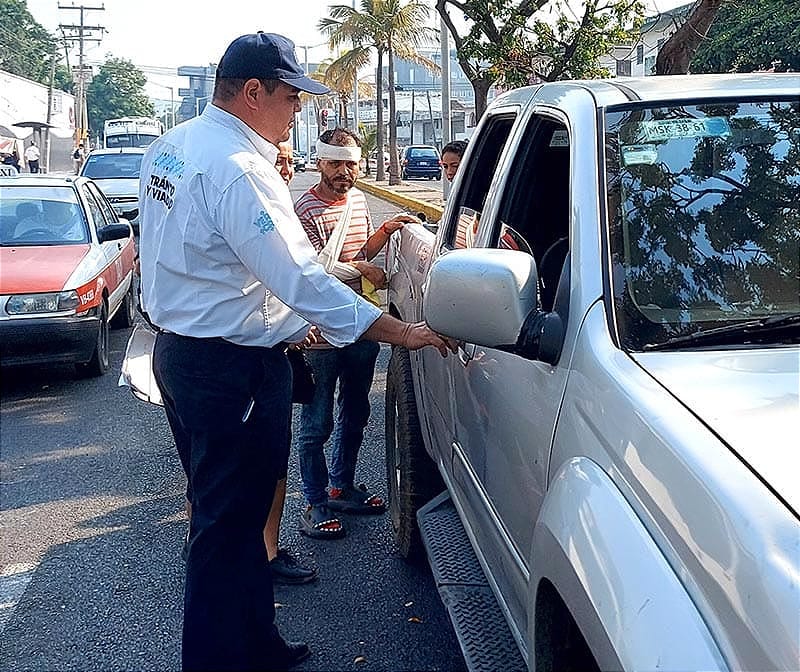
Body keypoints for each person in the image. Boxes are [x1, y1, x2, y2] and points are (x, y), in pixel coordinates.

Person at [137, 32, 453, 672]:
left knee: (234, 511)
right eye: (289, 98)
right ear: (252, 93)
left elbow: (194, 260)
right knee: (226, 528)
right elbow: (301, 278)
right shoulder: (241, 169)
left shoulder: (174, 146)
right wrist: (399, 332)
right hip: (231, 369)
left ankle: (255, 643)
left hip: (186, 356)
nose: (297, 114)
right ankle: (217, 658)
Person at [293, 127, 412, 539]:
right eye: (336, 163)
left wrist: (386, 231)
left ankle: (341, 485)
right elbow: (311, 271)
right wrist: (363, 271)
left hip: (362, 326)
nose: (345, 172)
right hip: (320, 334)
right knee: (317, 422)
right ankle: (314, 501)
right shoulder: (303, 209)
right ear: (320, 163)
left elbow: (358, 254)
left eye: (351, 164)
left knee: (356, 412)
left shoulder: (358, 200)